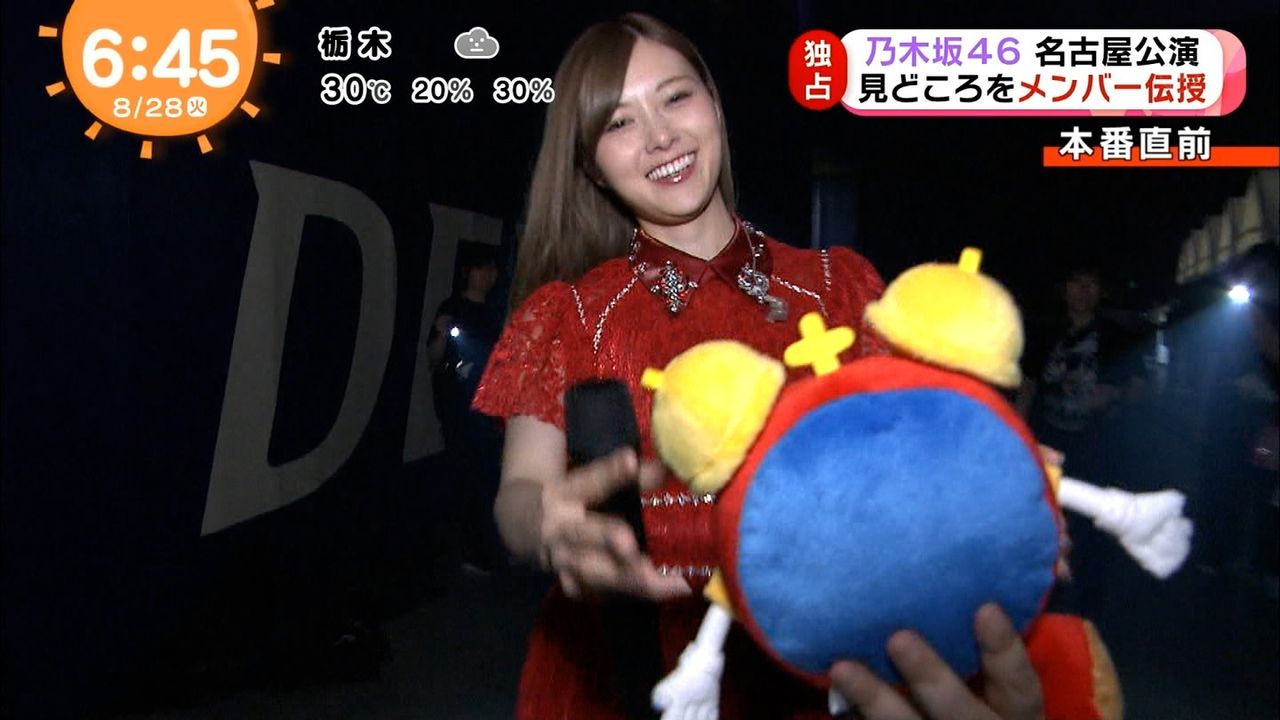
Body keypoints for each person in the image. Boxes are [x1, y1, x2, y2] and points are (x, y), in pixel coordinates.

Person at [473, 13, 1044, 719]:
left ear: (713, 103)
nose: (660, 136)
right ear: (591, 165)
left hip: (821, 659)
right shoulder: (567, 315)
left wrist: (988, 477)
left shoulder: (840, 287)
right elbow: (521, 489)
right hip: (621, 672)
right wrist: (544, 526)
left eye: (676, 97)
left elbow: (910, 459)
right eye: (618, 123)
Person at [429, 244, 507, 573]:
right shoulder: (452, 308)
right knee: (465, 478)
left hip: (487, 410)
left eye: (492, 268)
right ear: (468, 272)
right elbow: (434, 358)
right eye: (483, 267)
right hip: (458, 409)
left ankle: (487, 547)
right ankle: (468, 552)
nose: (490, 274)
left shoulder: (492, 313)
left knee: (487, 478)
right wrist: (441, 334)